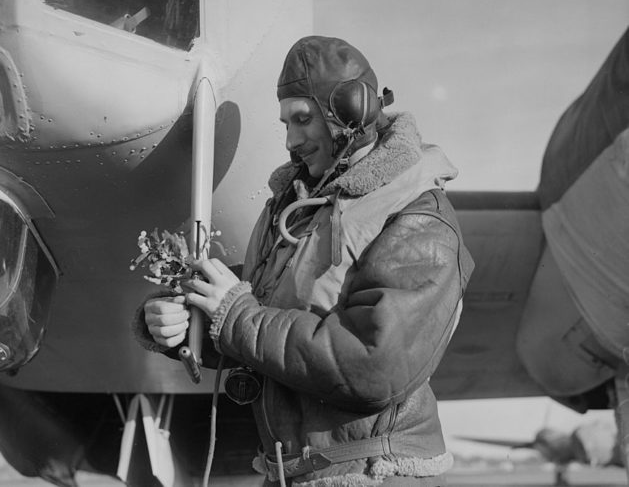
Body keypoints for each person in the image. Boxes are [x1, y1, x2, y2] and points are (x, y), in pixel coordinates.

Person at [133, 36, 474, 486]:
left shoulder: (417, 215)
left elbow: (373, 365)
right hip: (295, 473)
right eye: (286, 123)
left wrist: (232, 312)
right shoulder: (295, 210)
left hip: (375, 475)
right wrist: (184, 317)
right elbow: (261, 320)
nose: (292, 140)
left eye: (302, 119)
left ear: (351, 112)